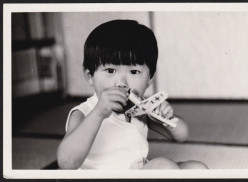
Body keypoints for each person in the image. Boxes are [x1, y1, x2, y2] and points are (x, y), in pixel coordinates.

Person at [57, 19, 208, 170]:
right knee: (165, 167)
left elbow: (182, 135)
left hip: (137, 171)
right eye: (110, 71)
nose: (122, 83)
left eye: (134, 72)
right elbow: (66, 163)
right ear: (90, 76)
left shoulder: (141, 109)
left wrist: (166, 118)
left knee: (198, 168)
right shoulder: (84, 112)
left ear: (149, 79)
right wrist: (98, 113)